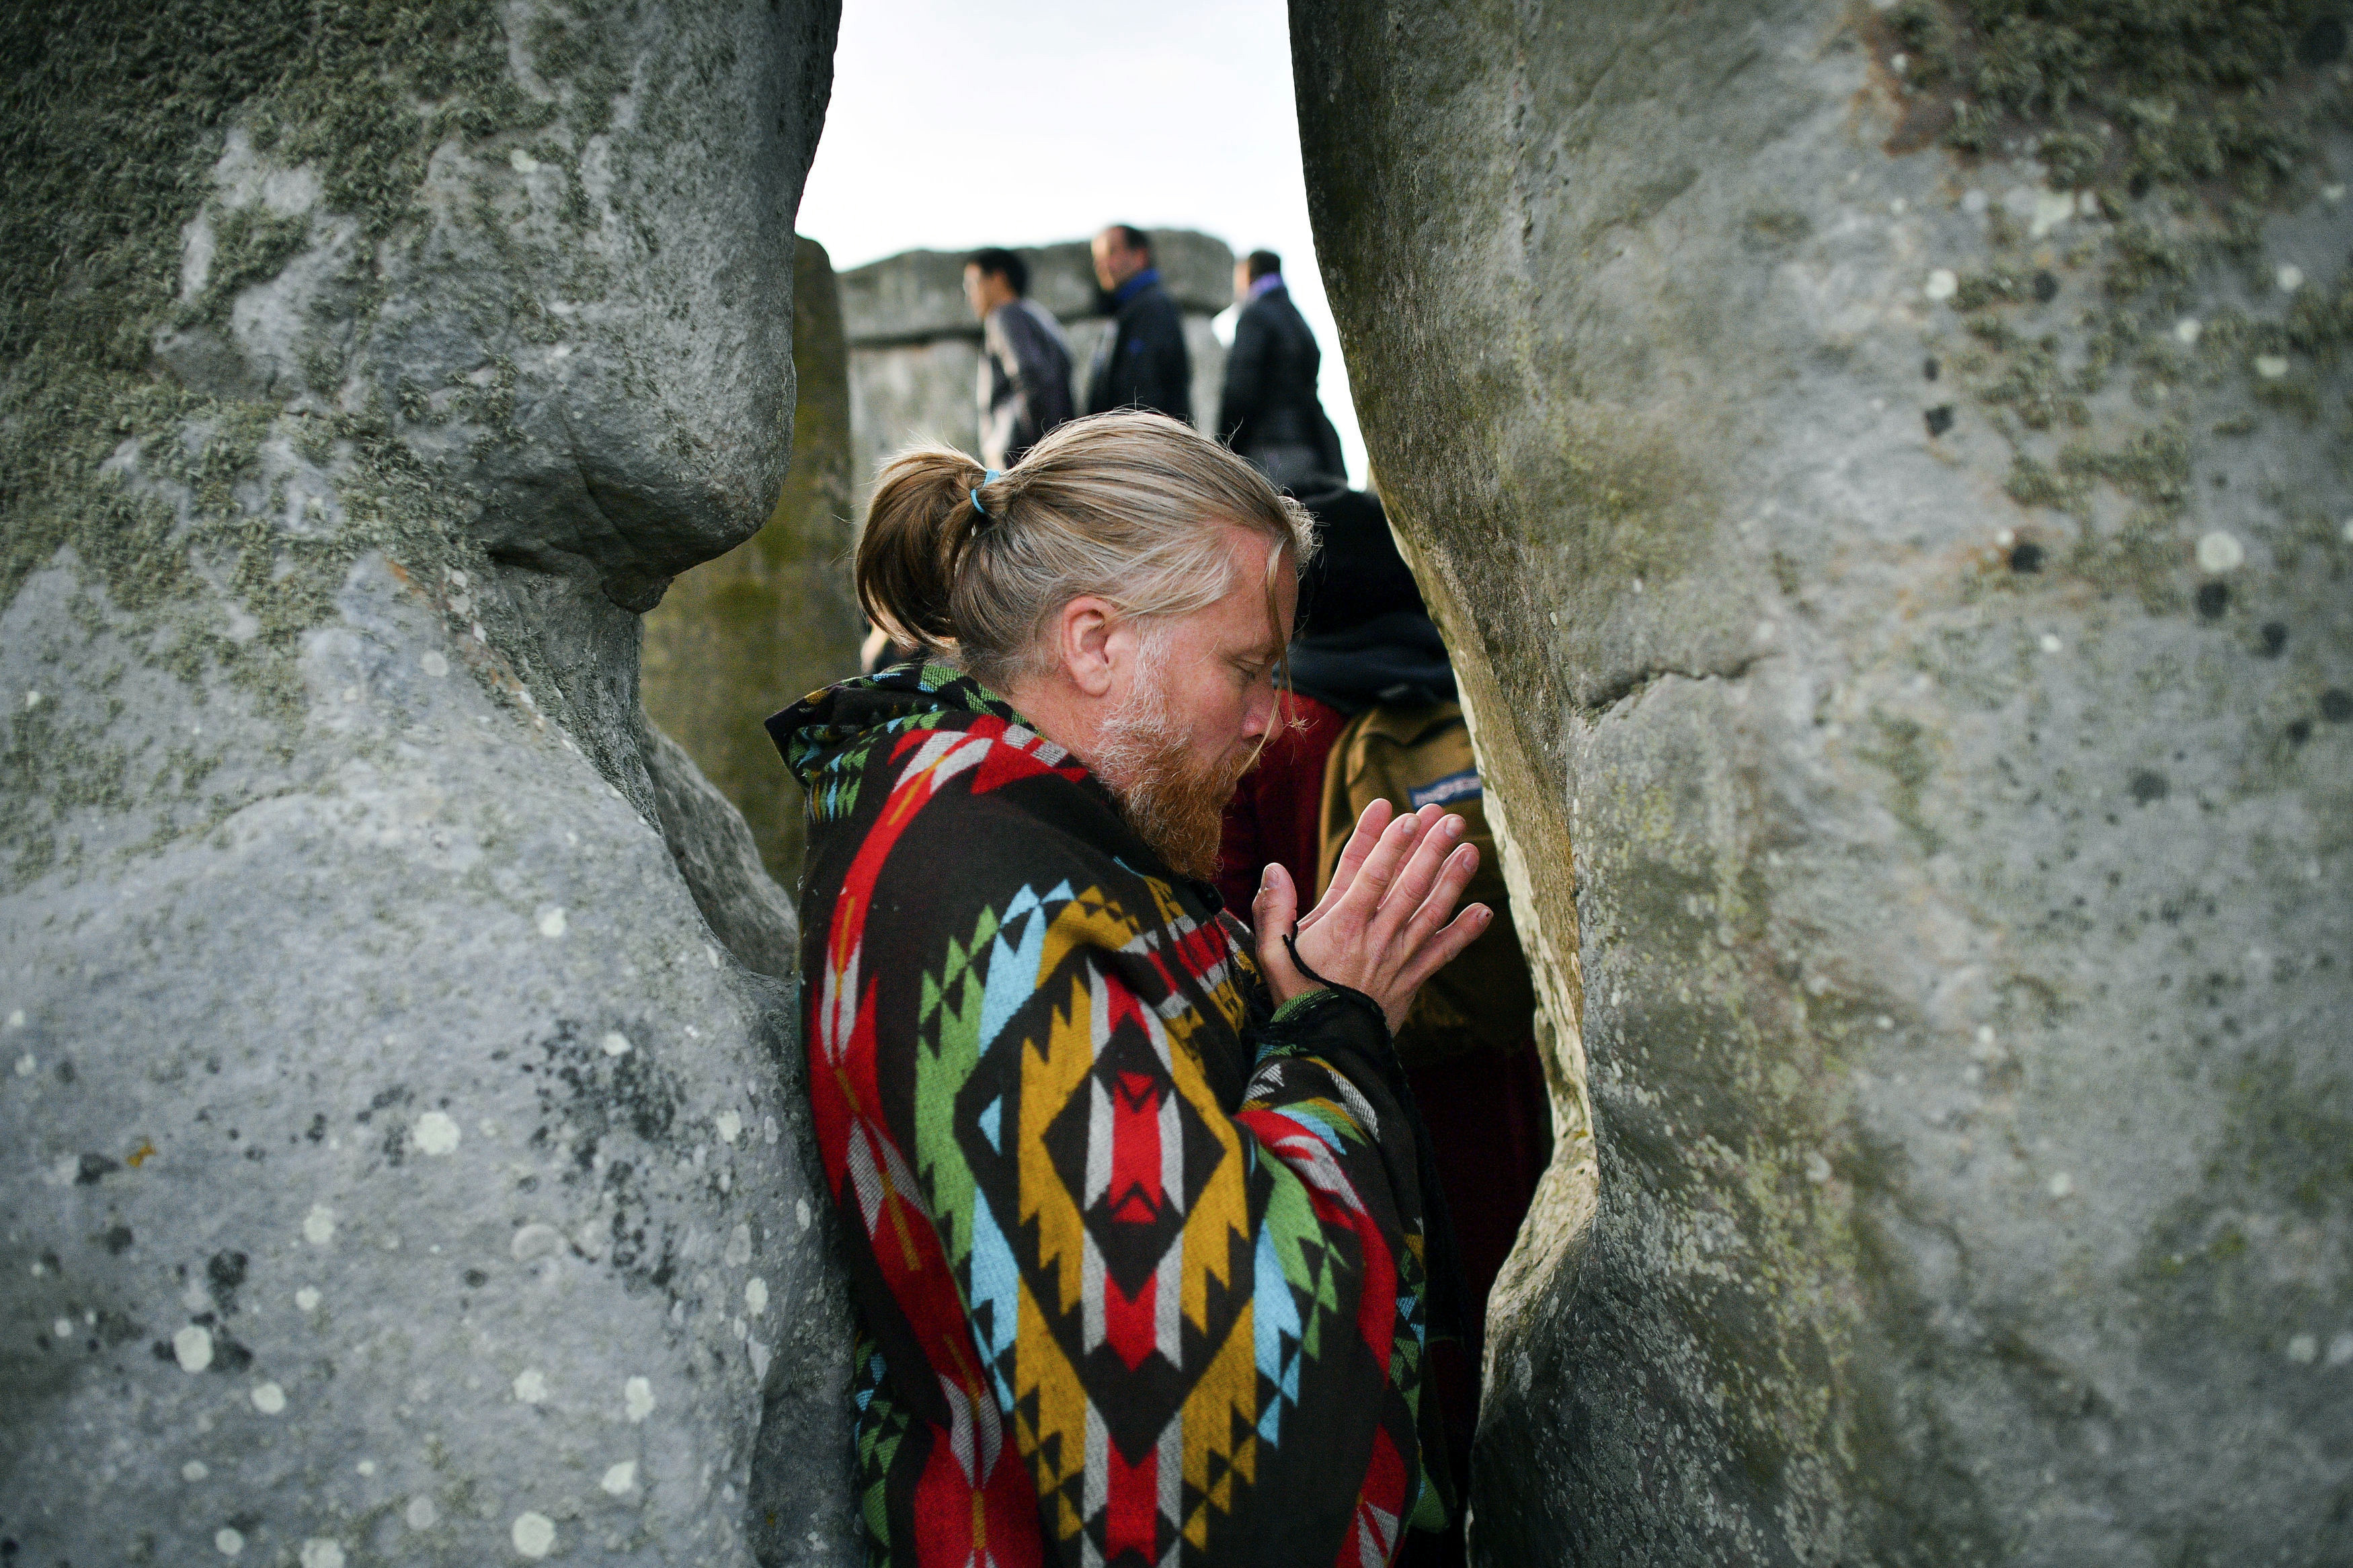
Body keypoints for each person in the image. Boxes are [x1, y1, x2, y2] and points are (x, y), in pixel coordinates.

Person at [768, 411, 1488, 1568]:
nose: (1271, 719)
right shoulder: (989, 901)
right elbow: (1208, 1444)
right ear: (1096, 642)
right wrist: (1331, 1040)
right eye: (1246, 667)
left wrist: (1292, 1000)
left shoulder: (1031, 842)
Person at [1214, 481, 1550, 1568]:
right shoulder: (1468, 699)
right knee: (1503, 1305)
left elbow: (1231, 917)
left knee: (1402, 1326)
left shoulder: (1277, 730)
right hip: (1498, 1084)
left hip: (1359, 1087)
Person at [1214, 251, 1346, 493]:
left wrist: (1222, 449)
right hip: (1309, 451)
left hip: (1267, 454)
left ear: (1248, 273)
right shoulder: (1298, 319)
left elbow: (1240, 390)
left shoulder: (1255, 316)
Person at [965, 247, 1075, 470]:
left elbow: (1031, 378)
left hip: (1020, 461)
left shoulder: (1005, 316)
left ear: (998, 279)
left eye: (973, 284)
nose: (969, 295)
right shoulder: (1036, 315)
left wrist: (1029, 457)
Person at [1082, 225, 1192, 424]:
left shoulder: (1153, 308)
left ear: (1140, 256)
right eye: (1097, 258)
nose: (1101, 265)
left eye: (1110, 253)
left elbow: (1143, 392)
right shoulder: (1127, 310)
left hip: (1143, 438)